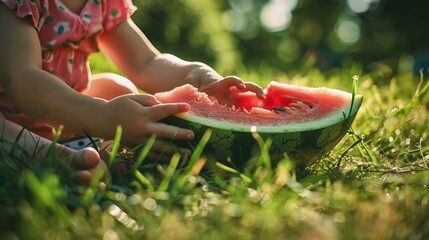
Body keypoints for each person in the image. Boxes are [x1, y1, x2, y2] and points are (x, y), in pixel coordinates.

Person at [0, 0, 265, 185]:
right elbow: (22, 78)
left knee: (120, 89)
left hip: (67, 110)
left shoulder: (102, 3)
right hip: (9, 115)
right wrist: (103, 116)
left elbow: (146, 62)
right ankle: (56, 158)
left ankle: (95, 154)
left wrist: (196, 75)